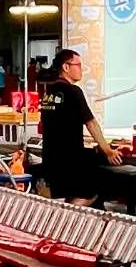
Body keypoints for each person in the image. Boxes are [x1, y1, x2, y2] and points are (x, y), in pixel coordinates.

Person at [37, 48, 126, 207]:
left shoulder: (49, 92)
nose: (81, 70)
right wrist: (108, 150)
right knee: (92, 190)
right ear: (66, 67)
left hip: (51, 157)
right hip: (70, 158)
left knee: (71, 193)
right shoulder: (73, 91)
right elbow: (91, 123)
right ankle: (66, 217)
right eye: (78, 65)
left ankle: (67, 217)